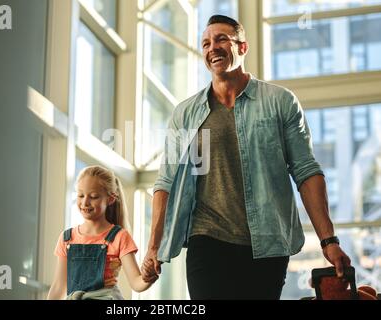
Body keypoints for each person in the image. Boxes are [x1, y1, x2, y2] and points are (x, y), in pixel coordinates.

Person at [141, 15, 351, 300]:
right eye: (206, 43)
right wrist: (154, 246)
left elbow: (305, 170)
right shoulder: (185, 114)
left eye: (221, 39)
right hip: (207, 238)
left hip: (267, 241)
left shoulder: (280, 101)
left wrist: (329, 241)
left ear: (242, 47)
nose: (212, 47)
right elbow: (166, 181)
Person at [47, 165, 157, 300]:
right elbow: (59, 286)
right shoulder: (66, 239)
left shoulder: (119, 237)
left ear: (110, 199)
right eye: (81, 195)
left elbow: (136, 283)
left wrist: (148, 276)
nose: (85, 202)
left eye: (93, 196)